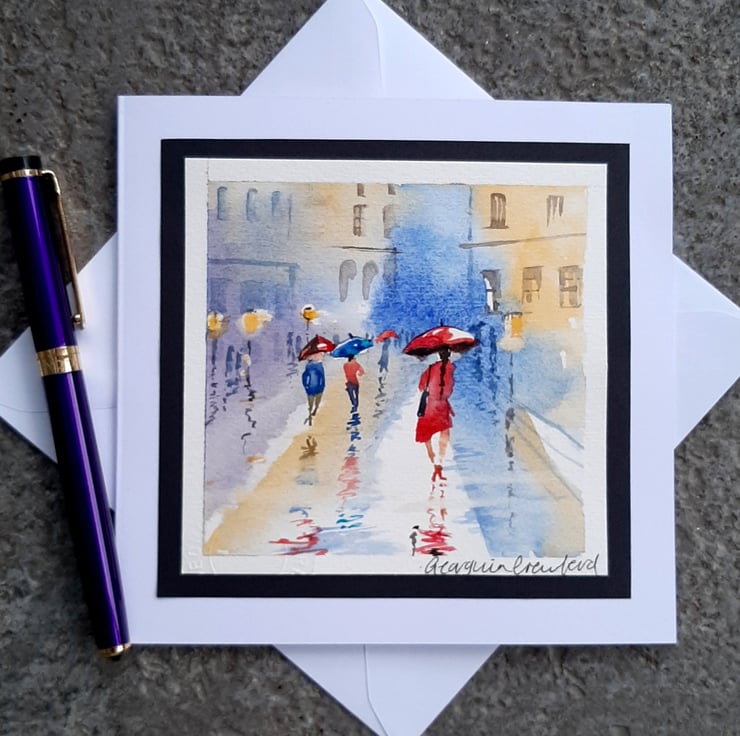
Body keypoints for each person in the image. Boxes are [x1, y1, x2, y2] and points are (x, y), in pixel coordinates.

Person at [415, 346, 455, 480]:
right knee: (444, 432)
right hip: (443, 405)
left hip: (430, 405)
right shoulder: (450, 369)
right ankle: (440, 459)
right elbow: (449, 390)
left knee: (426, 431)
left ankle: (431, 455)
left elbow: (421, 387)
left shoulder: (431, 369)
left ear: (438, 354)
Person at [301, 354, 325, 423]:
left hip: (310, 387)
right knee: (317, 400)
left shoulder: (308, 366)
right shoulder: (320, 366)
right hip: (318, 387)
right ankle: (315, 410)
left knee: (310, 402)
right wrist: (322, 386)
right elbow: (322, 377)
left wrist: (306, 385)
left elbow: (304, 376)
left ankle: (310, 414)